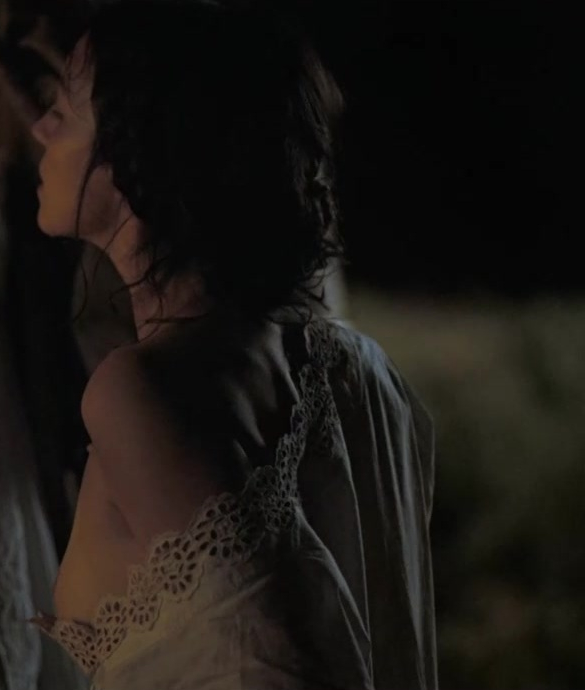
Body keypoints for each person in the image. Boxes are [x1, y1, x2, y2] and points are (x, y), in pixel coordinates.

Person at [27, 1, 438, 688]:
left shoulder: (140, 390)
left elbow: (274, 667)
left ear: (140, 147)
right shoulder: (347, 363)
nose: (40, 128)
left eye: (65, 109)